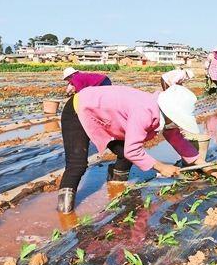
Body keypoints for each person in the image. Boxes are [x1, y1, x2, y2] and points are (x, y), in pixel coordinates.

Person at [57, 84, 207, 213]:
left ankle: (116, 190)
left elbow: (176, 139)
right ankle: (64, 214)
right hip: (79, 108)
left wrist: (203, 165)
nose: (178, 123)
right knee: (77, 165)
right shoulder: (145, 111)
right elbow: (133, 150)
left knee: (126, 155)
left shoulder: (164, 114)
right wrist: (161, 167)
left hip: (108, 119)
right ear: (171, 112)